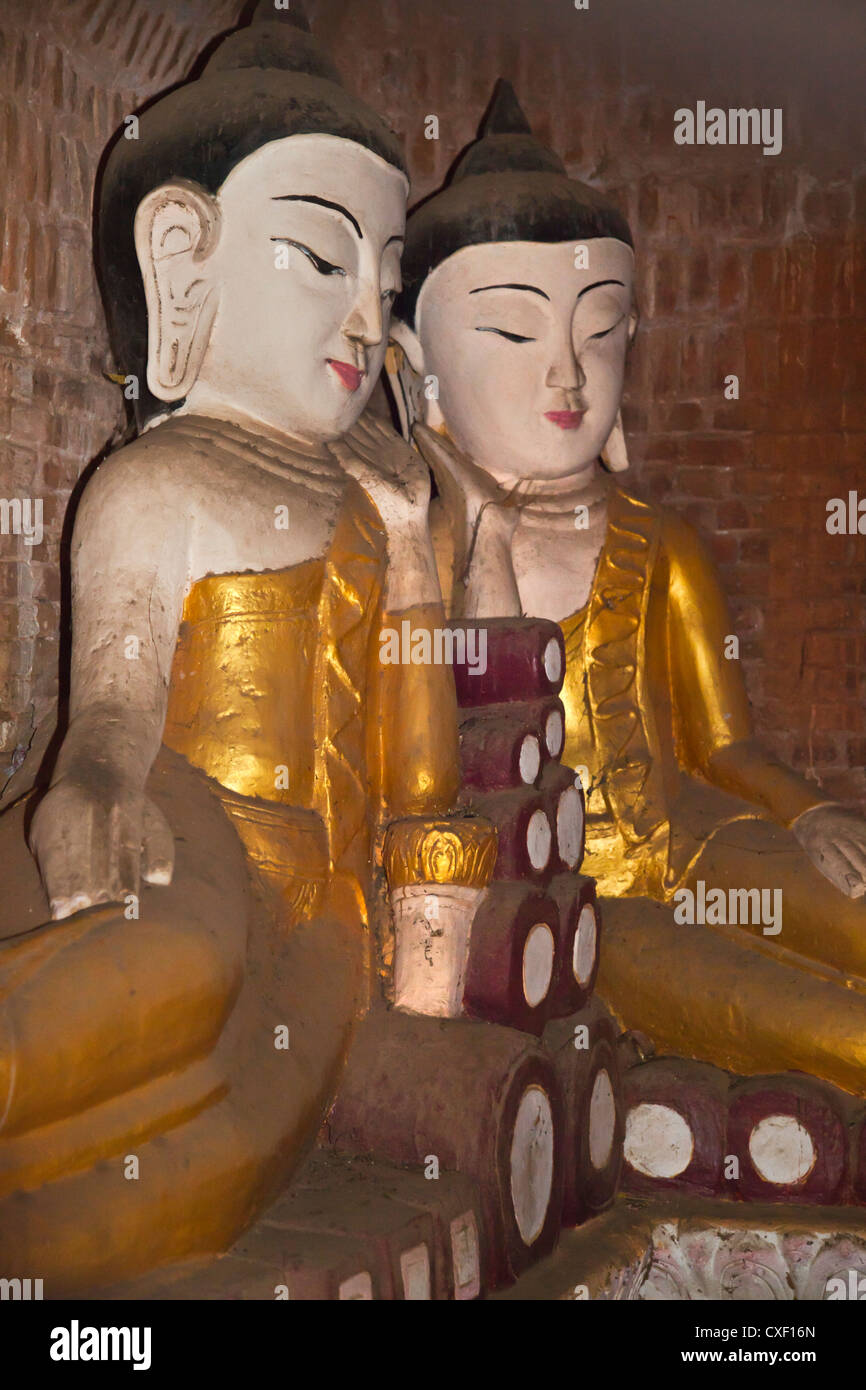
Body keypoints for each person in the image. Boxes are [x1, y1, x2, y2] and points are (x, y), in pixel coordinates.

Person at [0, 5, 481, 1293]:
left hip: (315, 909)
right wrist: (93, 782)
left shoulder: (380, 513)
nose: (364, 314)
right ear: (183, 259)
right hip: (182, 817)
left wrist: (419, 559)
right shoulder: (160, 482)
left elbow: (424, 787)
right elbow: (111, 704)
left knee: (210, 1153)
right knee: (177, 961)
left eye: (384, 279)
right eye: (323, 261)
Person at [390, 80, 866, 1096]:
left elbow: (723, 744)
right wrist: (471, 511)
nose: (565, 375)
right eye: (514, 335)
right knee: (834, 1030)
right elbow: (455, 761)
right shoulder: (407, 562)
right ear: (414, 369)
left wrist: (805, 814)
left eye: (598, 332)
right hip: (578, 904)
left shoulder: (661, 546)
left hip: (697, 841)